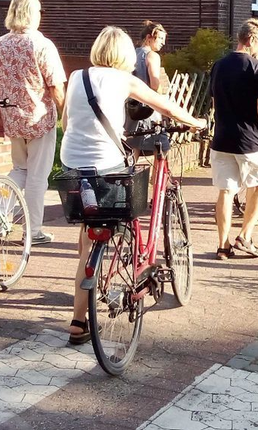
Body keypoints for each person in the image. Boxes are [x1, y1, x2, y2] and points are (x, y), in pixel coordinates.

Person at [61, 27, 206, 345]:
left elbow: (68, 121)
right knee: (130, 187)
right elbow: (165, 106)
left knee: (88, 236)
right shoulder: (124, 79)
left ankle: (77, 321)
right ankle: (137, 255)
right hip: (107, 165)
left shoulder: (76, 77)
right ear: (125, 55)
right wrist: (198, 122)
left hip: (72, 164)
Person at [0, 0, 67, 246]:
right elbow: (55, 87)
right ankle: (33, 231)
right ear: (34, 14)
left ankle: (0, 218)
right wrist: (66, 114)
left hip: (12, 118)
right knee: (37, 177)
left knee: (19, 170)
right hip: (39, 119)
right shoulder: (42, 45)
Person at [210, 18, 258, 260]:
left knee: (226, 191)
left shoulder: (218, 65)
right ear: (250, 40)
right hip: (250, 142)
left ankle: (222, 245)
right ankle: (245, 235)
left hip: (221, 139)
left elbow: (214, 102)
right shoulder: (257, 68)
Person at [135, 21, 168, 93]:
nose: (163, 43)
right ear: (148, 37)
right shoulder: (152, 56)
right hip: (146, 100)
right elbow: (155, 86)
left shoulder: (132, 54)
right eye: (160, 38)